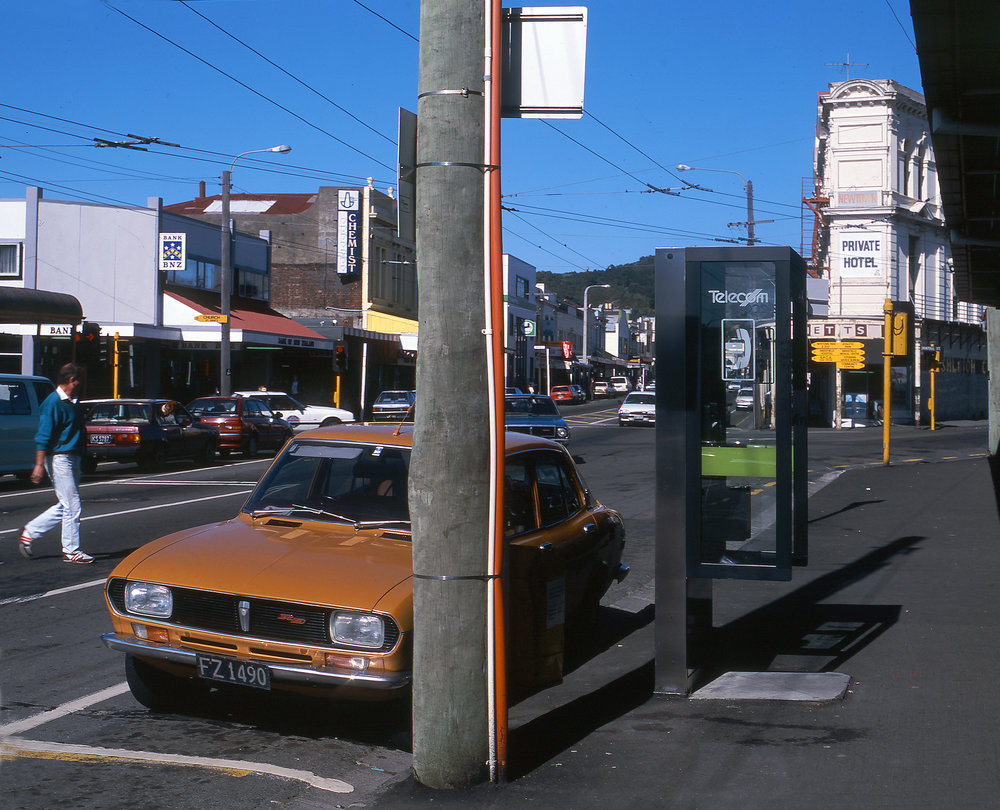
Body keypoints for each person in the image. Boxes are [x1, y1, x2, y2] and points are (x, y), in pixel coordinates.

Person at [19, 363, 94, 564]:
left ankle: (30, 531)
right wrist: (38, 465)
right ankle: (71, 550)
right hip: (60, 458)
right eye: (80, 380)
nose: (81, 384)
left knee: (66, 504)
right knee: (73, 505)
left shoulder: (73, 402)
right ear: (72, 380)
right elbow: (43, 436)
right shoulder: (52, 403)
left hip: (73, 457)